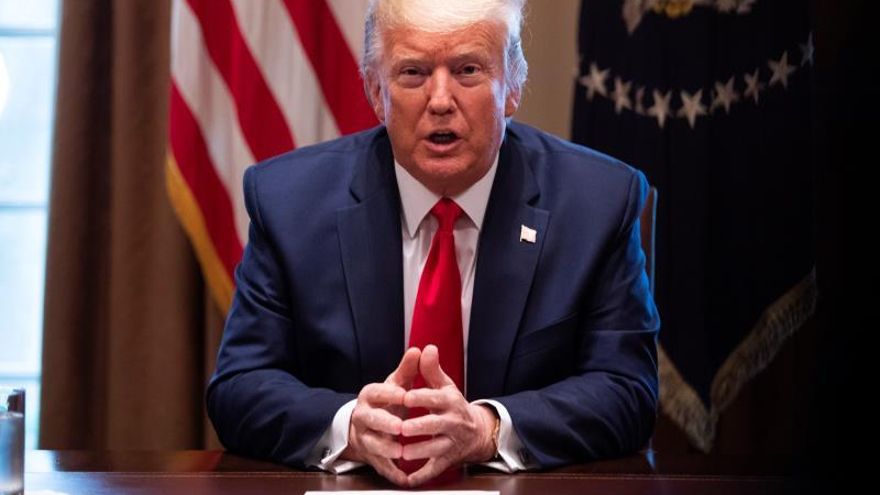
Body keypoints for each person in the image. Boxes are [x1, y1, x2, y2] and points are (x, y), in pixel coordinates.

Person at [207, 0, 659, 487]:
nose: (440, 99)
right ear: (376, 92)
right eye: (413, 73)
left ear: (512, 86)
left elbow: (626, 391)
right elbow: (240, 387)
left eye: (467, 70)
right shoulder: (288, 202)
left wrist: (487, 430)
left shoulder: (597, 204)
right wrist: (351, 428)